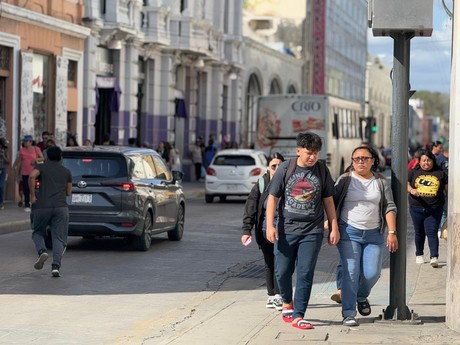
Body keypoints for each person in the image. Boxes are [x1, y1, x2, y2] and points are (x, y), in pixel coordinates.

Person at [266, 132, 339, 330]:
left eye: (316, 153)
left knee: (305, 273)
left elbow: (328, 201)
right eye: (308, 153)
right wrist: (270, 225)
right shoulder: (285, 168)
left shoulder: (322, 170)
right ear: (298, 150)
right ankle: (287, 301)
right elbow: (272, 197)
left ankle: (299, 315)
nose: (312, 157)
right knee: (282, 272)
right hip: (286, 229)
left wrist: (334, 226)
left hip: (312, 231)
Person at [333, 145, 398, 327]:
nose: (360, 161)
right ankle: (348, 313)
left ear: (373, 161)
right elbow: (332, 203)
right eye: (356, 159)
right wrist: (331, 226)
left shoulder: (380, 181)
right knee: (351, 273)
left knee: (372, 274)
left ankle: (361, 296)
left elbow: (389, 206)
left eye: (364, 158)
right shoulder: (345, 180)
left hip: (374, 234)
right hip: (348, 231)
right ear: (352, 162)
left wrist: (392, 232)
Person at [241, 152, 285, 310]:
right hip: (265, 231)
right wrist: (247, 230)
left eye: (280, 166)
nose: (277, 169)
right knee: (269, 263)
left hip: (284, 232)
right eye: (274, 166)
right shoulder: (261, 184)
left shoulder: (288, 183)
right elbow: (251, 208)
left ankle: (279, 295)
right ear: (268, 168)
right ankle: (271, 295)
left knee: (281, 263)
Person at [29, 146, 72, 277]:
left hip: (42, 206)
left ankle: (42, 251)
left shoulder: (41, 167)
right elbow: (69, 192)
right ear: (60, 157)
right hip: (60, 207)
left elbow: (31, 176)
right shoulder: (66, 171)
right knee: (59, 237)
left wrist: (32, 196)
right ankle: (55, 266)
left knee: (38, 232)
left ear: (47, 156)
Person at [407, 148, 448, 268]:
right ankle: (419, 254)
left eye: (429, 160)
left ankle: (434, 257)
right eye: (424, 161)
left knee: (432, 232)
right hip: (416, 208)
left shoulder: (440, 173)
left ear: (432, 161)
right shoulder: (414, 172)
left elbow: (447, 188)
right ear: (419, 161)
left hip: (434, 209)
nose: (426, 163)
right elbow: (407, 183)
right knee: (419, 232)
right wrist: (411, 190)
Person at [13, 135, 44, 212]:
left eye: (26, 141)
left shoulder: (36, 149)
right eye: (24, 141)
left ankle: (36, 203)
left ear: (30, 142)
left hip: (34, 173)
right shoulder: (22, 150)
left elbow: (43, 159)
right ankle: (27, 204)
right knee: (26, 189)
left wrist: (36, 160)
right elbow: (19, 161)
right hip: (25, 173)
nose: (25, 143)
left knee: (34, 188)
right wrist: (17, 172)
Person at [0, 137, 10, 210]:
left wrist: (3, 155)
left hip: (2, 170)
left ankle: (1, 202)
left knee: (1, 186)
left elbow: (8, 161)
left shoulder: (5, 151)